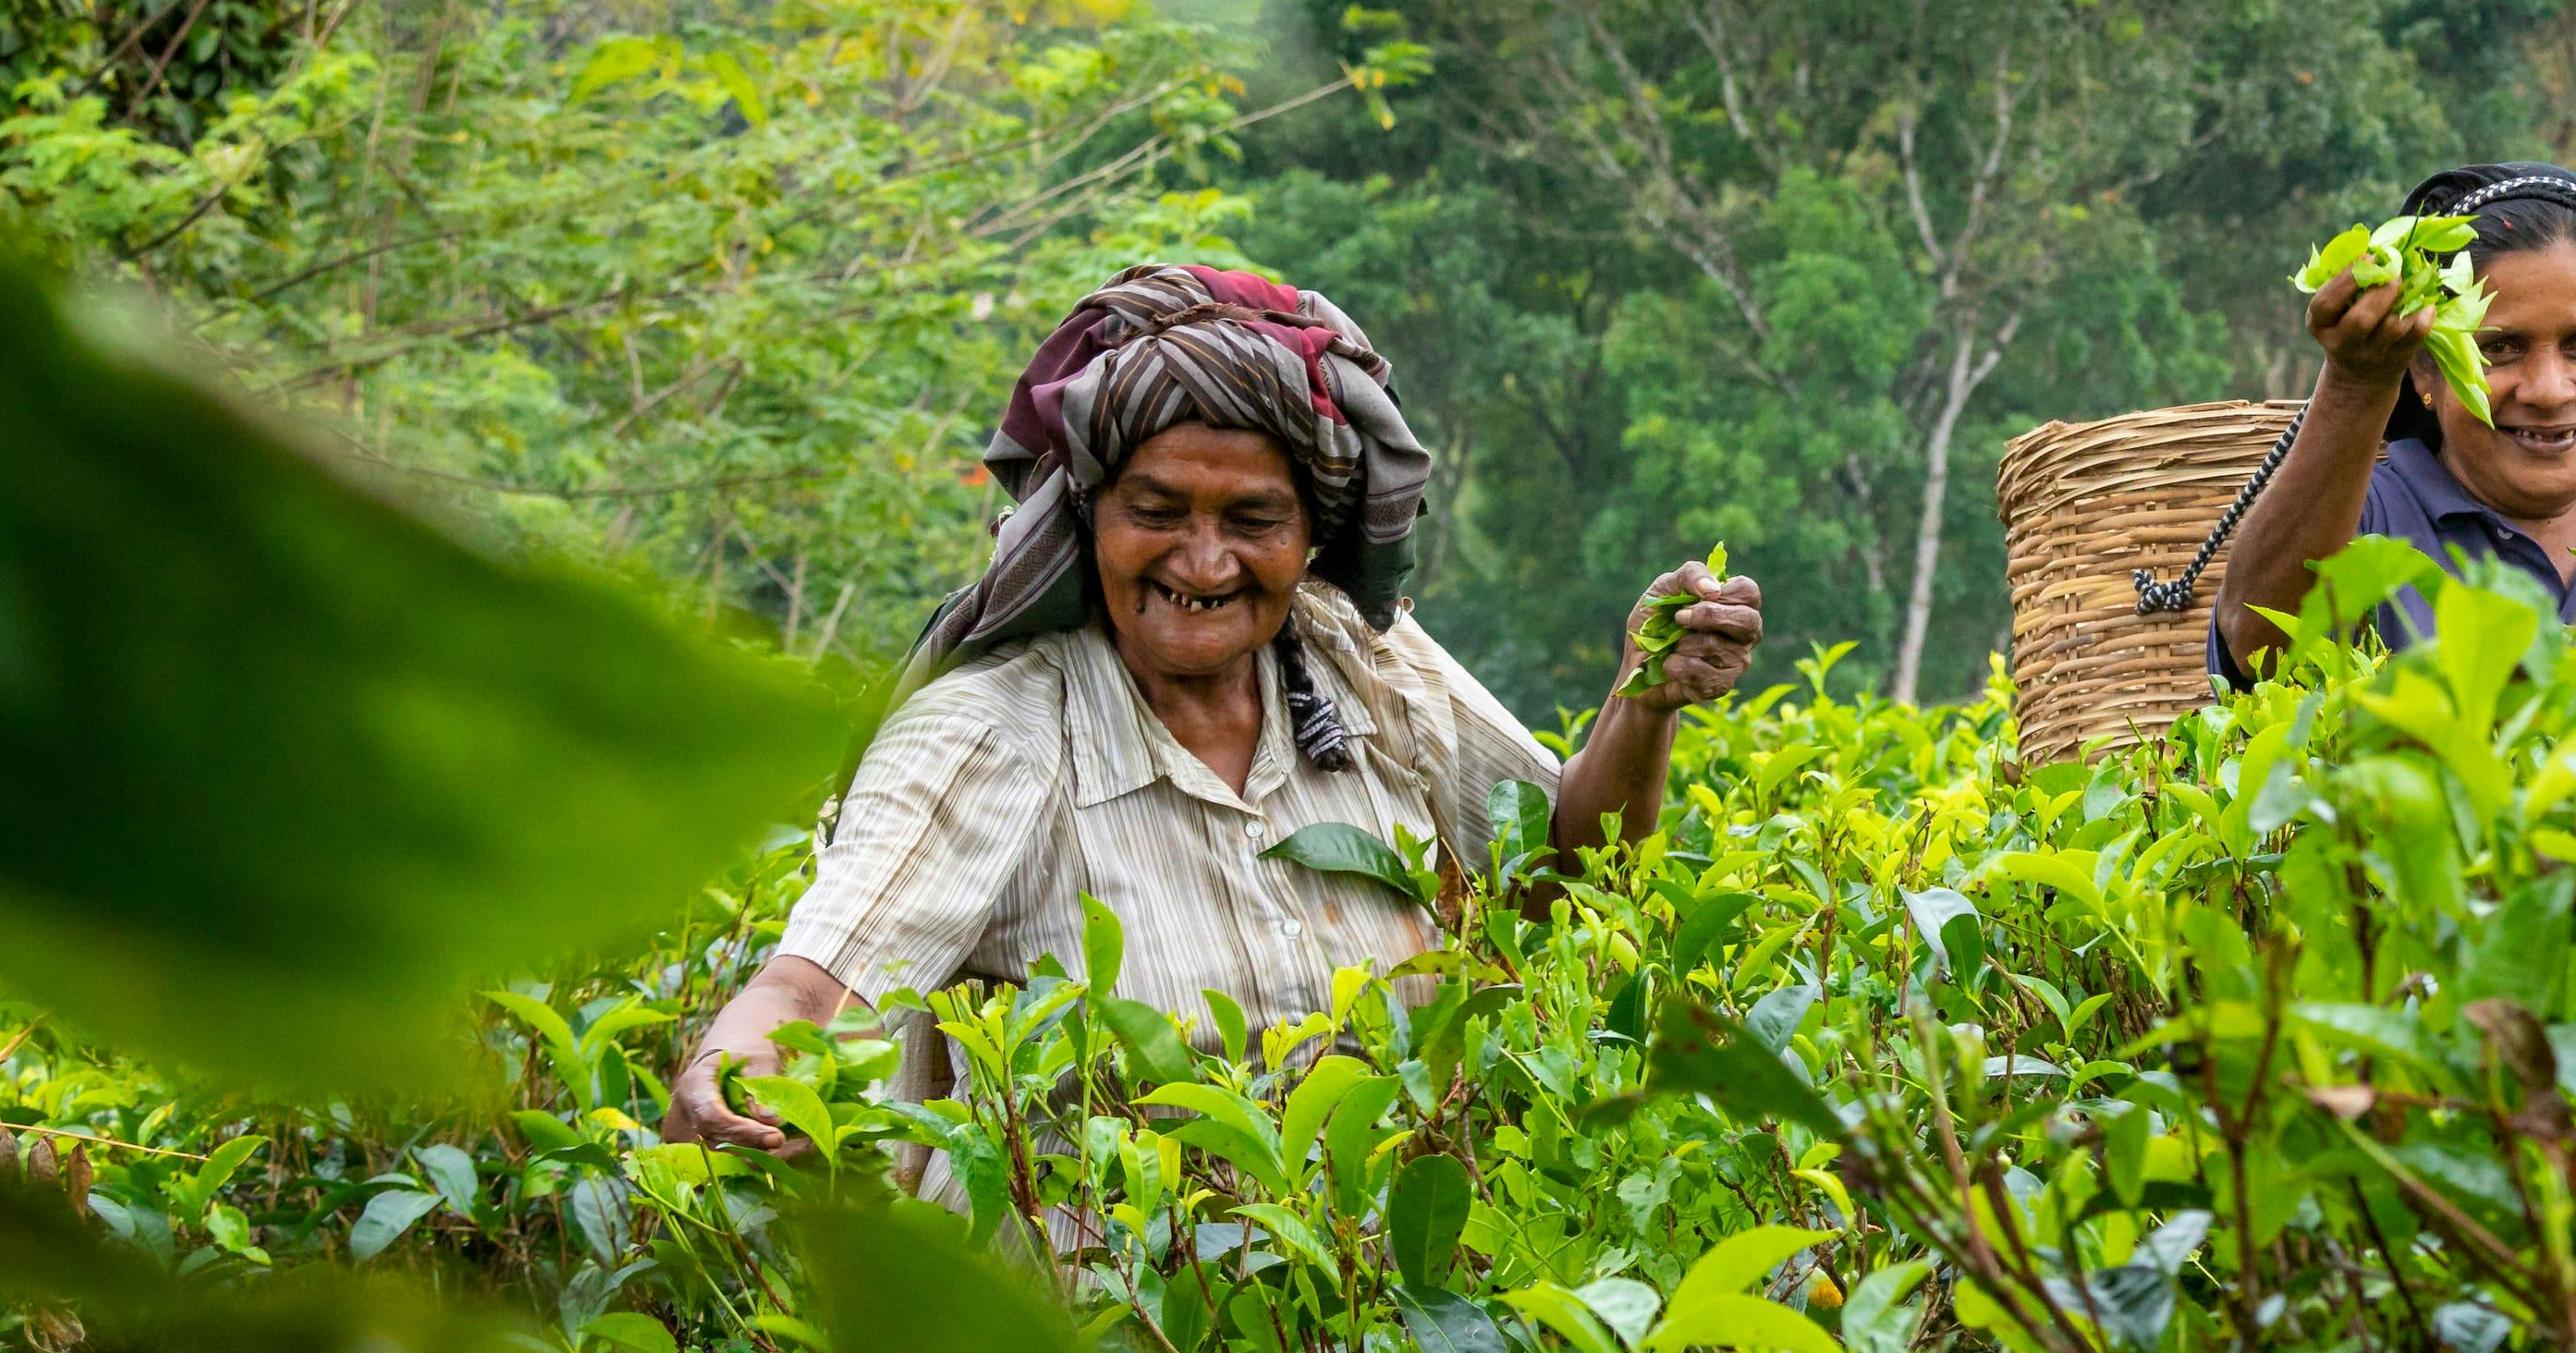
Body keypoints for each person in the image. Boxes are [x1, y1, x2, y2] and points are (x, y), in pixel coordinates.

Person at [665, 265, 1759, 1155]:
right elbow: (818, 978)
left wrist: (1644, 697)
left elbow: (1563, 869)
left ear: (1310, 535)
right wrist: (739, 1065)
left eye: (1251, 518)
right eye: (1155, 509)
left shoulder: (1362, 664)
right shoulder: (991, 730)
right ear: (1087, 517)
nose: (1202, 560)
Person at [2210, 162, 2576, 676]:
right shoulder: (2366, 517)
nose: (2548, 390)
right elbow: (2262, 648)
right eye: (2499, 348)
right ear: (2424, 372)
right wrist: (2357, 385)